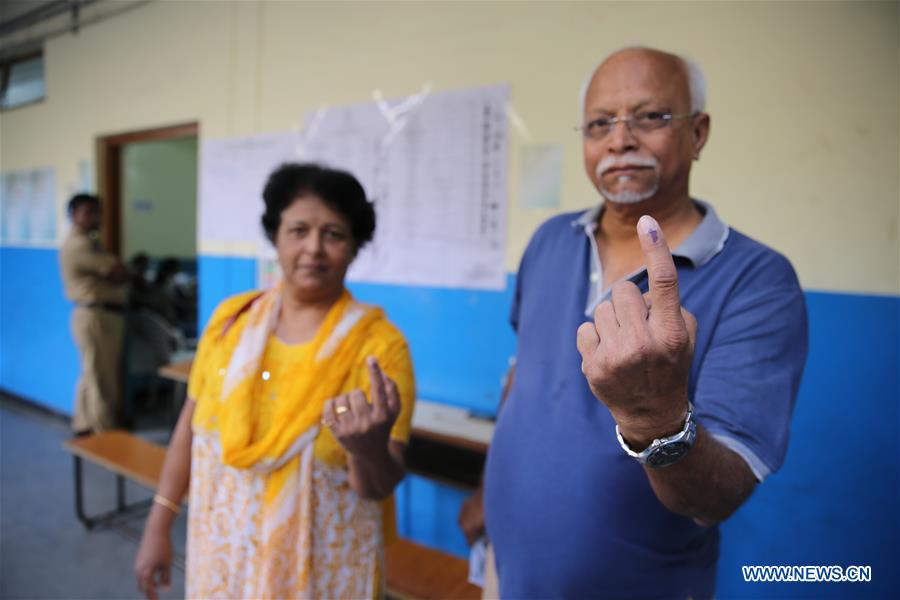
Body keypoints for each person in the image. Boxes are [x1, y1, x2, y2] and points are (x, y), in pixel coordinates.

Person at [480, 47, 808, 598]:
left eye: (650, 117)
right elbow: (523, 378)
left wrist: (655, 419)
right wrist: (483, 490)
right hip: (505, 571)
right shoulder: (549, 242)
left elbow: (716, 497)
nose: (620, 139)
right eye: (600, 123)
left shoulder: (758, 281)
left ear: (698, 133)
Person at [134, 163, 415, 599]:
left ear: (355, 246)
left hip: (321, 571)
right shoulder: (231, 322)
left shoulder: (379, 346)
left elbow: (377, 486)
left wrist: (368, 450)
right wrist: (159, 524)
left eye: (334, 234)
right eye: (298, 230)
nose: (314, 249)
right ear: (275, 237)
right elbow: (191, 430)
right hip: (222, 556)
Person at [59, 193, 129, 434]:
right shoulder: (81, 245)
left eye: (97, 211)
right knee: (102, 377)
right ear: (73, 215)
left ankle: (84, 423)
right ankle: (105, 431)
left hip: (92, 315)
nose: (95, 217)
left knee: (91, 372)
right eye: (88, 212)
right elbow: (118, 273)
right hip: (95, 316)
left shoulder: (87, 241)